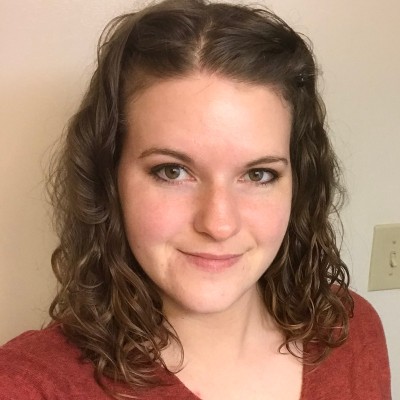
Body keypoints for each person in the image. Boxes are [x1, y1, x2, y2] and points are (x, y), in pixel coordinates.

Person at [0, 0, 391, 399]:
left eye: (258, 174)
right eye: (172, 171)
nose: (219, 224)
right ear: (109, 178)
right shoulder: (30, 386)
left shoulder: (349, 330)